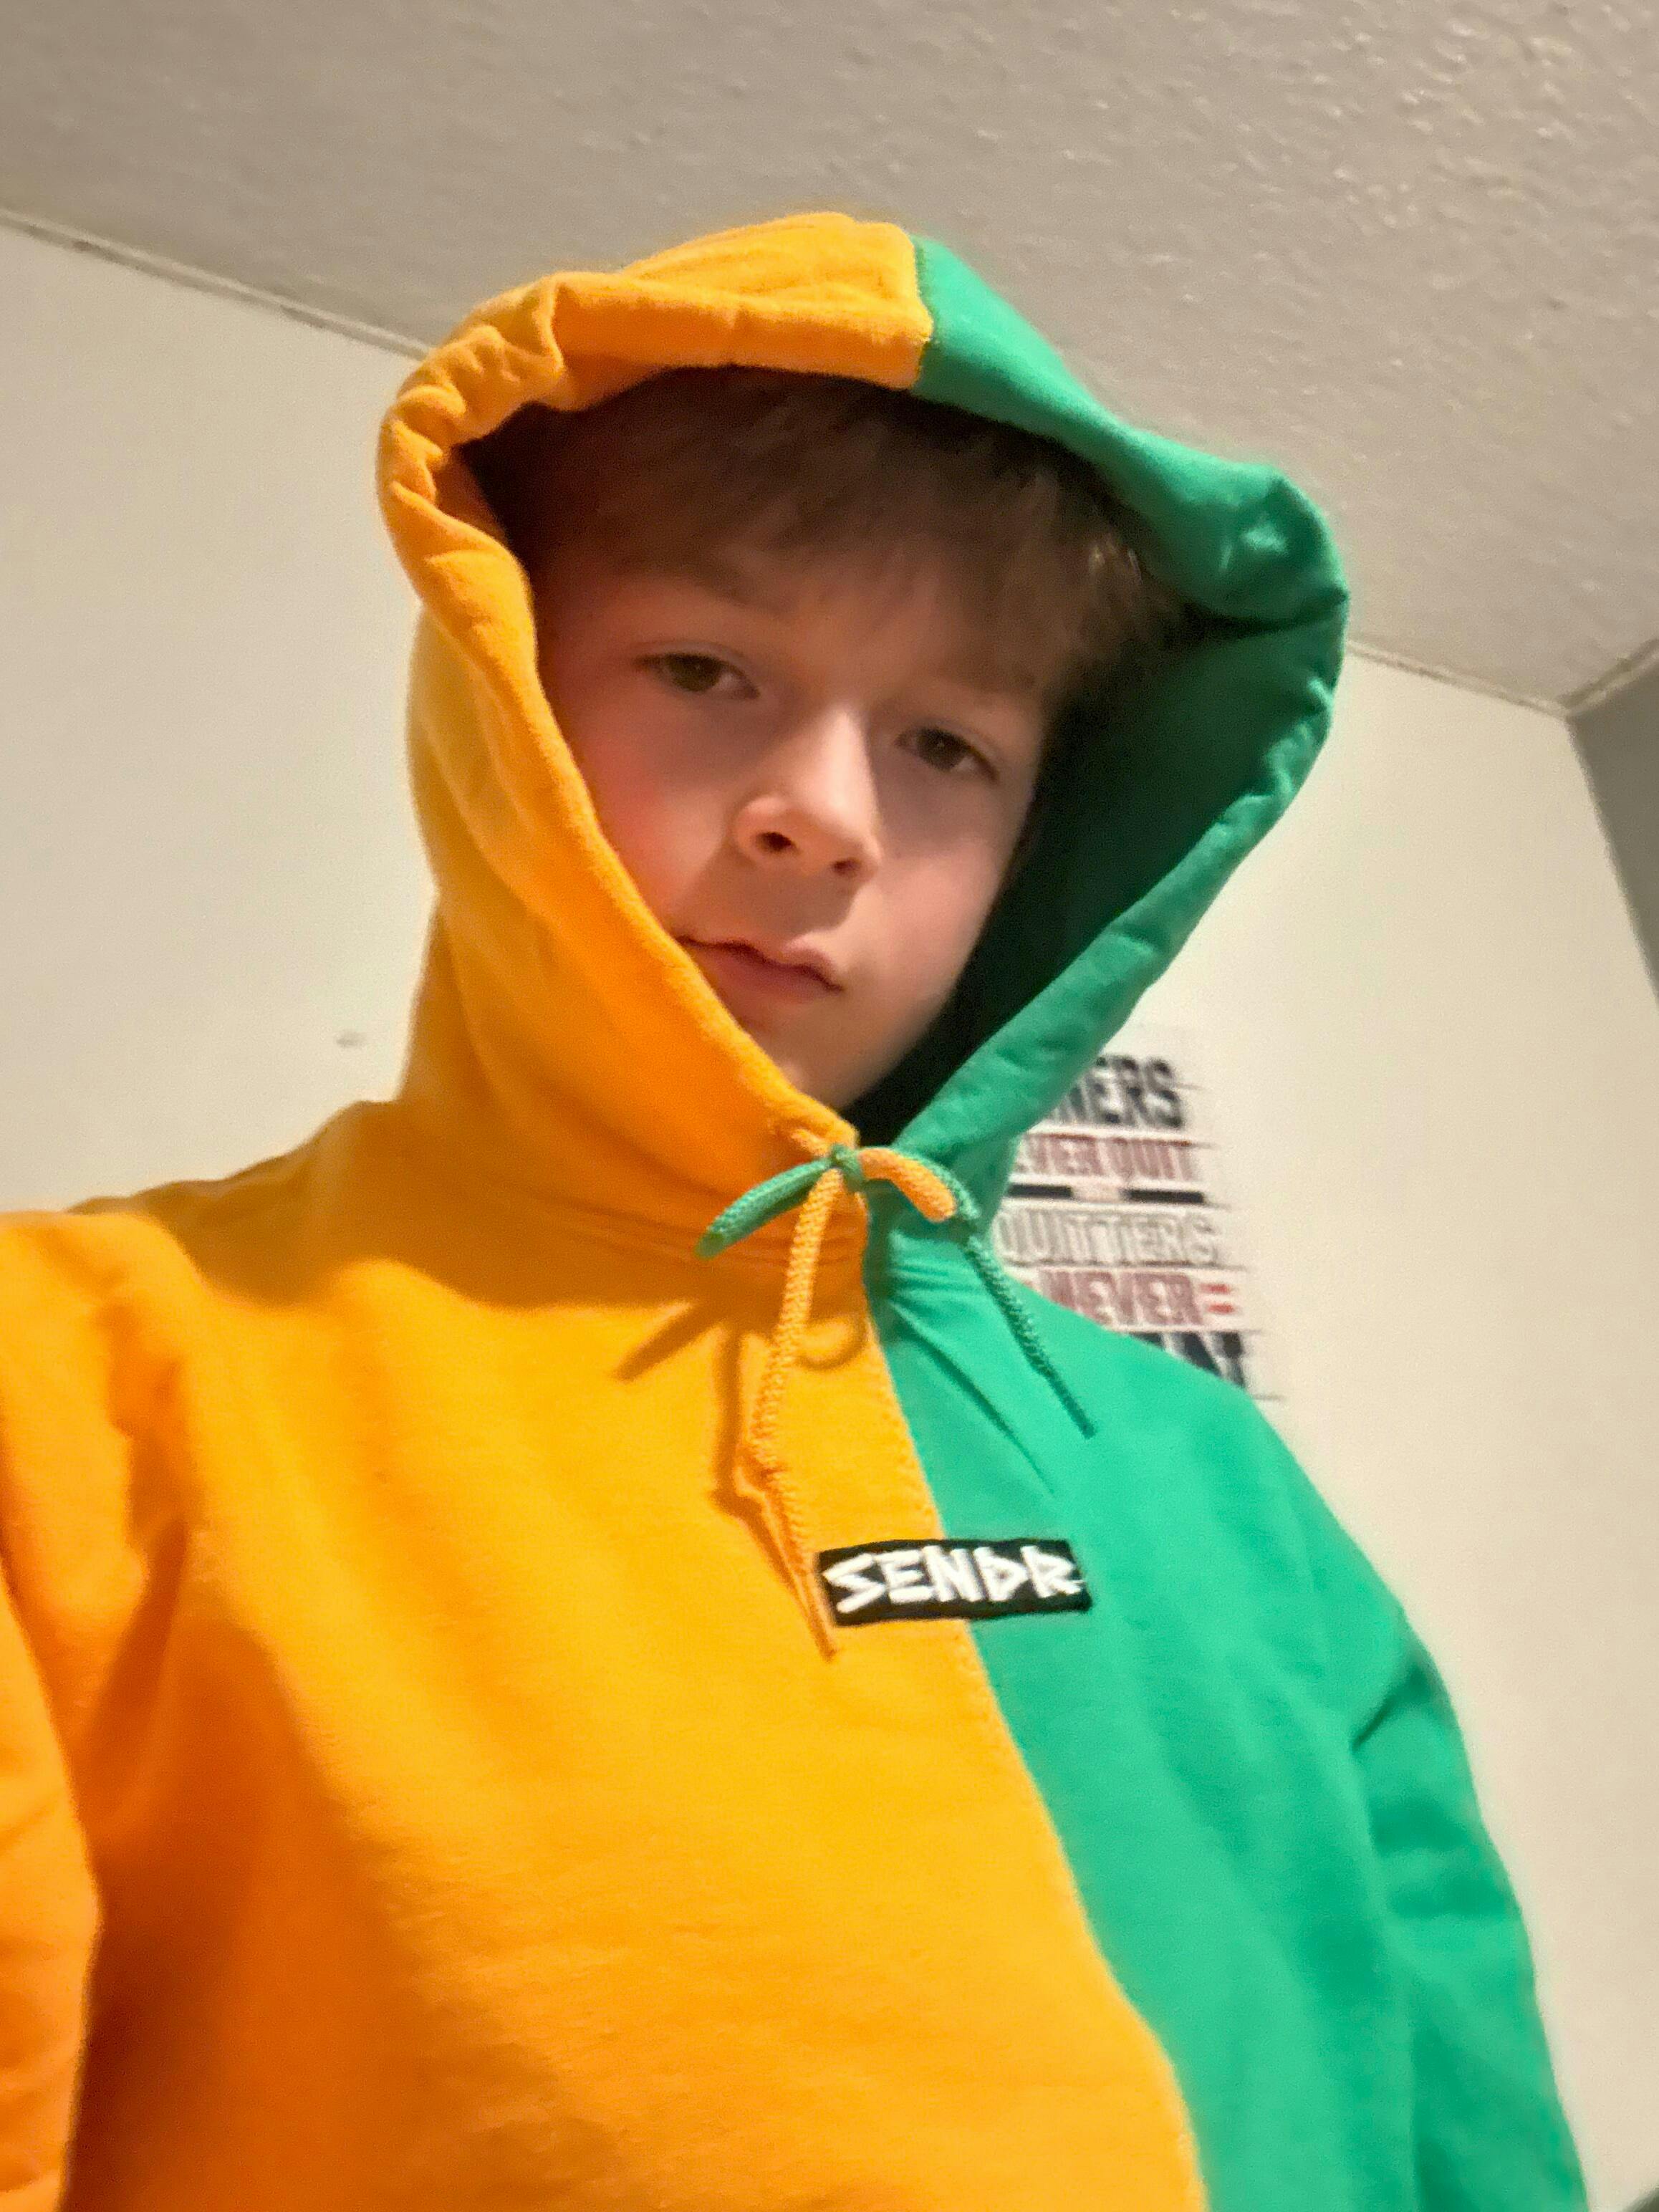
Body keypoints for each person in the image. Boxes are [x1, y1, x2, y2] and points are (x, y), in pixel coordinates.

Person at [0, 211, 1585, 2210]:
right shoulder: (77, 1376)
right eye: (703, 667)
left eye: (947, 744)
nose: (824, 813)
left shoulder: (1219, 1482)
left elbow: (1471, 2128)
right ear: (499, 698)